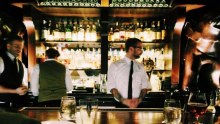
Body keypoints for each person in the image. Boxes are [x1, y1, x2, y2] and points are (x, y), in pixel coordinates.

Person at [107, 38, 152, 108]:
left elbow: (144, 87)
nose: (141, 51)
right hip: (120, 106)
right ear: (131, 49)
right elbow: (112, 87)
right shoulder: (115, 65)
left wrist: (138, 100)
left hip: (138, 106)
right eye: (139, 48)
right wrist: (124, 101)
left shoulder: (141, 66)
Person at [0, 35, 28, 107]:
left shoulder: (21, 64)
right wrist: (15, 91)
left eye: (21, 47)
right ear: (8, 46)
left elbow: (21, 83)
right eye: (16, 46)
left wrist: (23, 88)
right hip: (2, 105)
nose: (19, 49)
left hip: (16, 105)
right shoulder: (1, 60)